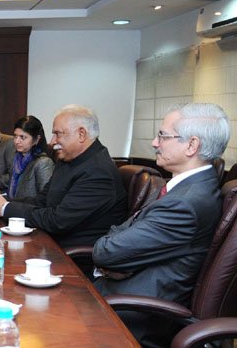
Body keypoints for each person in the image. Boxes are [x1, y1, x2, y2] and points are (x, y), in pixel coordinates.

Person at [92, 103, 229, 348]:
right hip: (121, 295)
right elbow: (119, 238)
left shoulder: (185, 202)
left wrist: (112, 257)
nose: (155, 143)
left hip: (132, 316)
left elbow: (106, 252)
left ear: (191, 145)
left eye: (163, 136)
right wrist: (114, 255)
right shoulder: (186, 188)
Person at [0, 104, 127, 248]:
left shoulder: (98, 172)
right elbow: (41, 201)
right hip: (50, 240)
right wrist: (5, 201)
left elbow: (58, 221)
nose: (52, 141)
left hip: (70, 253)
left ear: (81, 134)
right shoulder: (68, 160)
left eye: (58, 134)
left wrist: (5, 208)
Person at [7, 116, 54, 201]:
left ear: (37, 139)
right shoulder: (16, 158)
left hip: (28, 208)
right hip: (13, 206)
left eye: (22, 137)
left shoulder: (43, 163)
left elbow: (46, 199)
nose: (17, 141)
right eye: (15, 136)